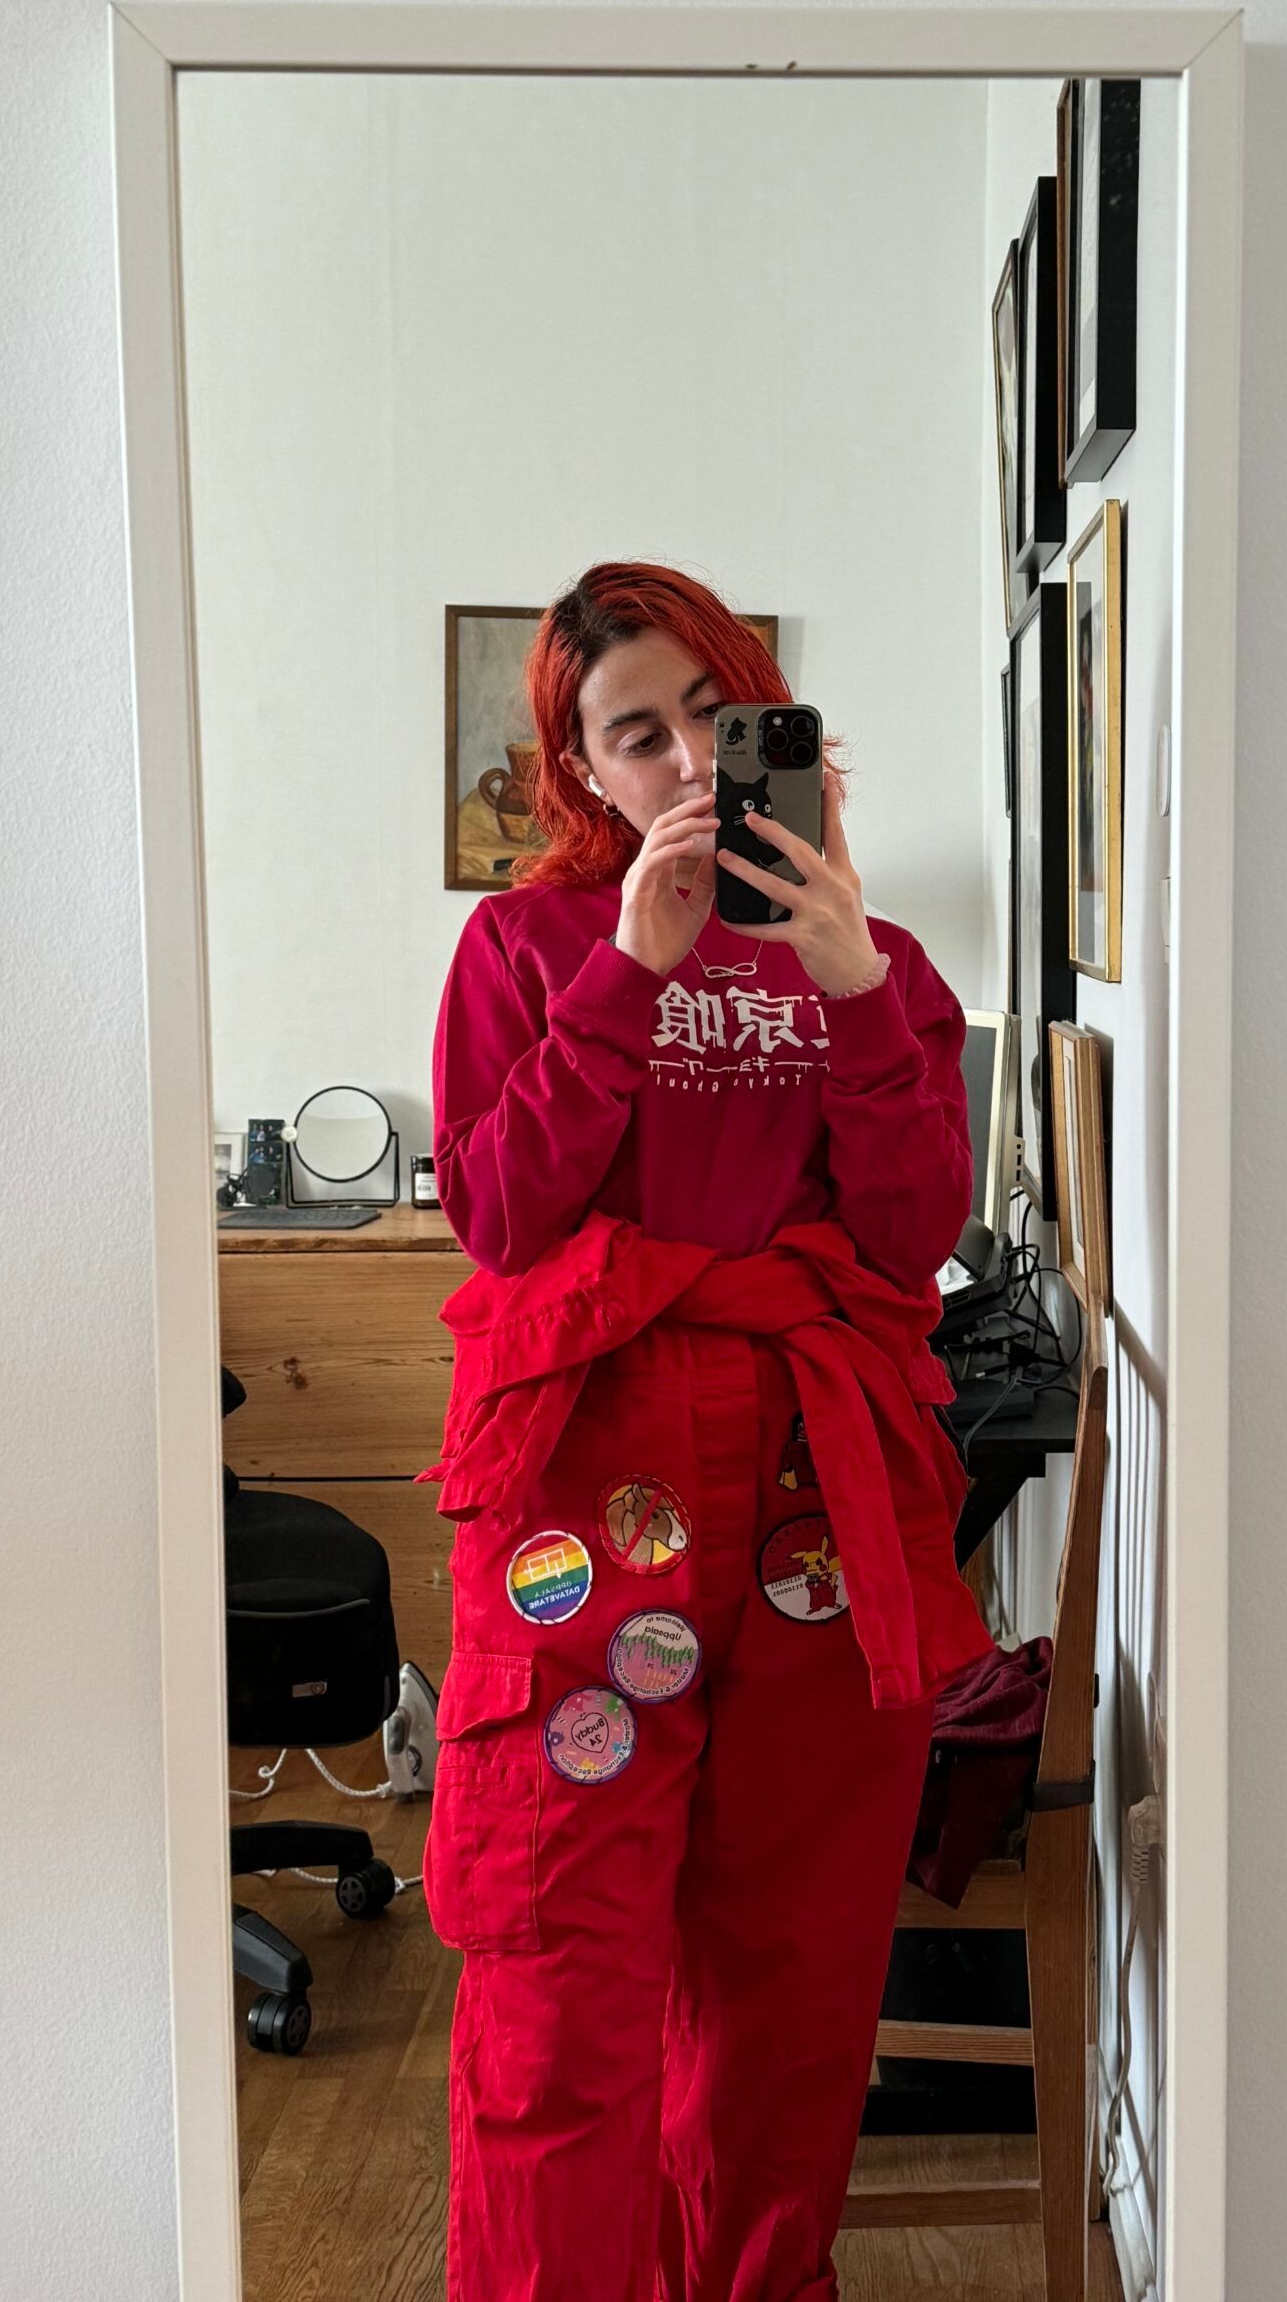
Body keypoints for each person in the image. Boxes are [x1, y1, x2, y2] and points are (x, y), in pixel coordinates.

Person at [423, 558, 998, 2302]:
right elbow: (503, 1216)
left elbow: (913, 1236)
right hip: (591, 1510)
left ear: (779, 729)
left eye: (714, 716)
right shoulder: (525, 948)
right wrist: (627, 975)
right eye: (636, 734)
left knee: (793, 1984)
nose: (683, 763)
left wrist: (849, 988)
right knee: (559, 1976)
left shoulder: (876, 961)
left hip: (820, 1509)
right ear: (583, 773)